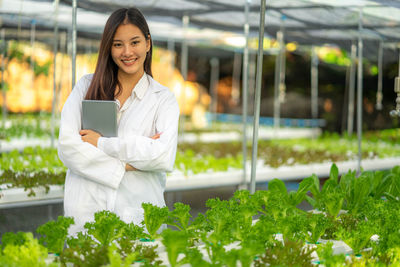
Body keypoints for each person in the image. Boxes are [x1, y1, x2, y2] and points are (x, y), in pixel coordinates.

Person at [58, 7, 179, 235]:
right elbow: (67, 146)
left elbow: (162, 156)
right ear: (108, 48)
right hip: (86, 211)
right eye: (117, 44)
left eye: (135, 42)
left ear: (148, 44)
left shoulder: (163, 99)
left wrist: (101, 144)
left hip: (137, 215)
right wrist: (131, 163)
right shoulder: (86, 87)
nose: (127, 52)